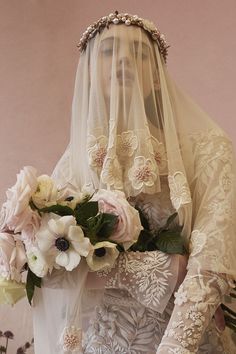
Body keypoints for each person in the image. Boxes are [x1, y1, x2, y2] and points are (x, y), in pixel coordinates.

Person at [32, 12, 236, 354]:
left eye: (140, 53)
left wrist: (176, 347)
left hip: (182, 339)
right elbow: (42, 264)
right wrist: (161, 267)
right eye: (110, 50)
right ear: (91, 71)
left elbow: (213, 264)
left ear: (156, 77)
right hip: (95, 341)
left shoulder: (207, 148)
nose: (125, 60)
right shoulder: (75, 162)